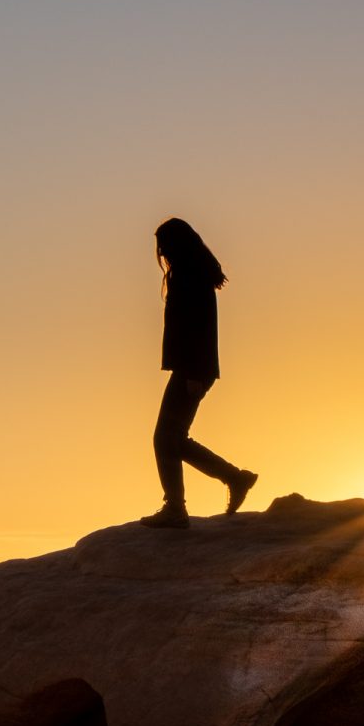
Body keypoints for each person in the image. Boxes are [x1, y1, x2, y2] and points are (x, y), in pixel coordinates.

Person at [140, 218, 259, 529]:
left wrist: (193, 372)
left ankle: (176, 508)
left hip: (193, 367)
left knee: (165, 438)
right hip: (192, 366)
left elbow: (198, 326)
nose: (161, 250)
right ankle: (234, 478)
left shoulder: (190, 276)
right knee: (173, 439)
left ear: (178, 243)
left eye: (165, 242)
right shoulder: (190, 273)